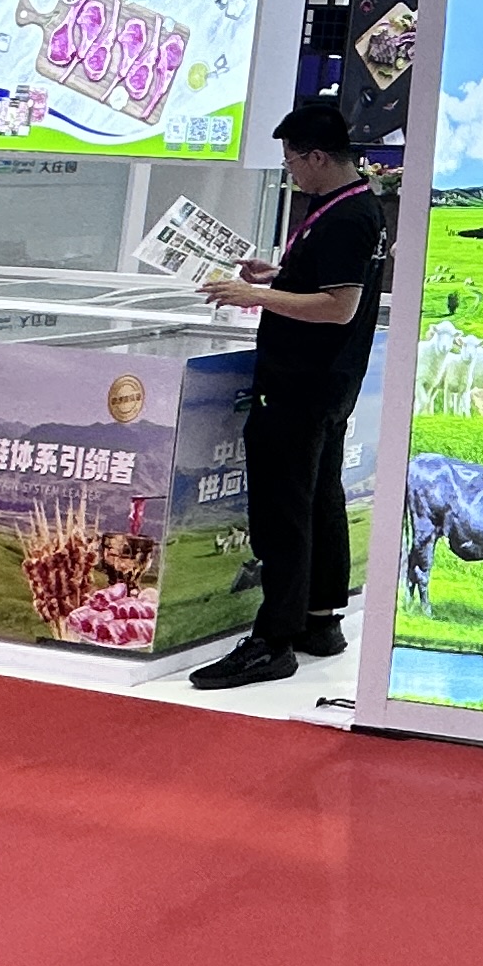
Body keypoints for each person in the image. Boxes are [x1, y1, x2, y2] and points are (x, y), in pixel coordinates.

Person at [191, 100, 389, 690]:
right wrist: (279, 277)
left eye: (293, 161)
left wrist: (255, 298)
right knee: (320, 498)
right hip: (328, 382)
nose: (291, 172)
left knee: (282, 510)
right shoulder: (355, 206)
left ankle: (272, 640)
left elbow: (338, 306)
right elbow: (329, 281)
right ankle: (319, 620)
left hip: (300, 383)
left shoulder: (347, 217)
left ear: (318, 156)